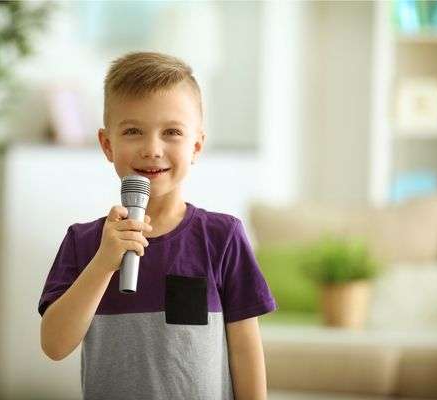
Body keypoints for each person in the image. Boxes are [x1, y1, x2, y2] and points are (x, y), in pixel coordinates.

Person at [38, 51, 277, 400]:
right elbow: (54, 345)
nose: (152, 149)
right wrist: (104, 264)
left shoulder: (222, 237)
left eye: (172, 132)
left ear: (196, 145)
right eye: (133, 131)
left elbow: (245, 350)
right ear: (107, 144)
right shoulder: (83, 241)